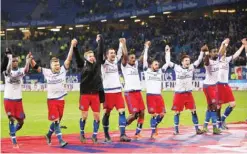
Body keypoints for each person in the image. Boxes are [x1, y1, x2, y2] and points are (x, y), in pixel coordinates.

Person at [30, 39, 77, 147]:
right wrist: (31, 59)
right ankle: (61, 140)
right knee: (56, 121)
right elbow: (36, 67)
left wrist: (72, 46)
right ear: (50, 66)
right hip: (51, 100)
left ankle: (48, 134)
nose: (56, 66)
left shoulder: (62, 70)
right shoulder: (46, 72)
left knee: (58, 121)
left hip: (61, 100)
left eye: (57, 64)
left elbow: (69, 59)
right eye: (54, 65)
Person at [166, 46, 205, 135]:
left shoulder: (192, 67)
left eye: (188, 60)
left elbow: (199, 61)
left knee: (194, 111)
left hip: (188, 94)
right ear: (182, 62)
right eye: (186, 60)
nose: (188, 62)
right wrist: (168, 52)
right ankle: (176, 131)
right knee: (177, 112)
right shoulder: (177, 68)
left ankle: (197, 129)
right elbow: (168, 62)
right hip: (179, 94)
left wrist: (202, 52)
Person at [73, 35, 104, 143]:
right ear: (86, 58)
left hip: (95, 94)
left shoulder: (97, 65)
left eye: (92, 55)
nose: (92, 57)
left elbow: (100, 53)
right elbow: (77, 57)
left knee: (97, 117)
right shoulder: (82, 65)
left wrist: (99, 41)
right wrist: (75, 47)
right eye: (89, 56)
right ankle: (82, 134)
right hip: (85, 95)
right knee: (84, 116)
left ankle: (94, 136)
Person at [101, 38, 131, 142]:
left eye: (114, 53)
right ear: (106, 55)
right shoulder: (103, 64)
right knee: (106, 114)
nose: (113, 55)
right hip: (107, 93)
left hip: (118, 92)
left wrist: (121, 43)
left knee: (122, 112)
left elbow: (119, 52)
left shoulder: (115, 62)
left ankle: (122, 135)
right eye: (111, 53)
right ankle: (106, 135)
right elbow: (100, 54)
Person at [3, 51, 31, 148]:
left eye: (16, 61)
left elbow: (26, 69)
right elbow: (7, 70)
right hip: (8, 99)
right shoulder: (6, 71)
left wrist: (27, 60)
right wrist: (9, 59)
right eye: (13, 61)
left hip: (18, 100)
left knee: (21, 122)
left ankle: (12, 132)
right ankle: (14, 141)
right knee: (11, 119)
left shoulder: (21, 71)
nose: (15, 62)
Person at [217, 38, 246, 130]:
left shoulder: (227, 59)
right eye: (224, 52)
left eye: (225, 52)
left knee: (233, 104)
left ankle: (222, 119)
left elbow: (236, 55)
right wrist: (224, 44)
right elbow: (221, 51)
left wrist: (243, 45)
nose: (224, 53)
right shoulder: (218, 59)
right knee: (218, 106)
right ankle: (219, 124)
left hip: (226, 85)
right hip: (218, 85)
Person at [143, 41, 169, 139]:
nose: (157, 66)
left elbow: (167, 63)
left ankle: (154, 126)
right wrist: (146, 48)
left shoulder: (160, 72)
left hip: (158, 96)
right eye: (155, 64)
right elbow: (145, 60)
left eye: (158, 64)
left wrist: (167, 52)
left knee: (162, 114)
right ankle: (153, 132)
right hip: (150, 95)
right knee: (153, 115)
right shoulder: (147, 71)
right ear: (151, 65)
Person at [120, 38, 145, 139]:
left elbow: (142, 57)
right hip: (129, 93)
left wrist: (146, 48)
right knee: (134, 115)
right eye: (132, 58)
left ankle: (137, 133)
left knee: (142, 112)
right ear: (127, 59)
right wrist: (124, 44)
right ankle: (122, 127)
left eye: (134, 58)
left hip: (138, 92)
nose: (134, 60)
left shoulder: (135, 65)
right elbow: (125, 55)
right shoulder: (124, 66)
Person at [202, 44, 221, 134]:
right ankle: (214, 128)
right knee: (214, 106)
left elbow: (222, 52)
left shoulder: (217, 60)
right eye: (214, 52)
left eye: (216, 51)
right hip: (209, 86)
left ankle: (205, 127)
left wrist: (225, 44)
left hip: (212, 85)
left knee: (210, 106)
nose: (216, 53)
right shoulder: (207, 60)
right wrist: (206, 53)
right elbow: (206, 63)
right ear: (210, 53)